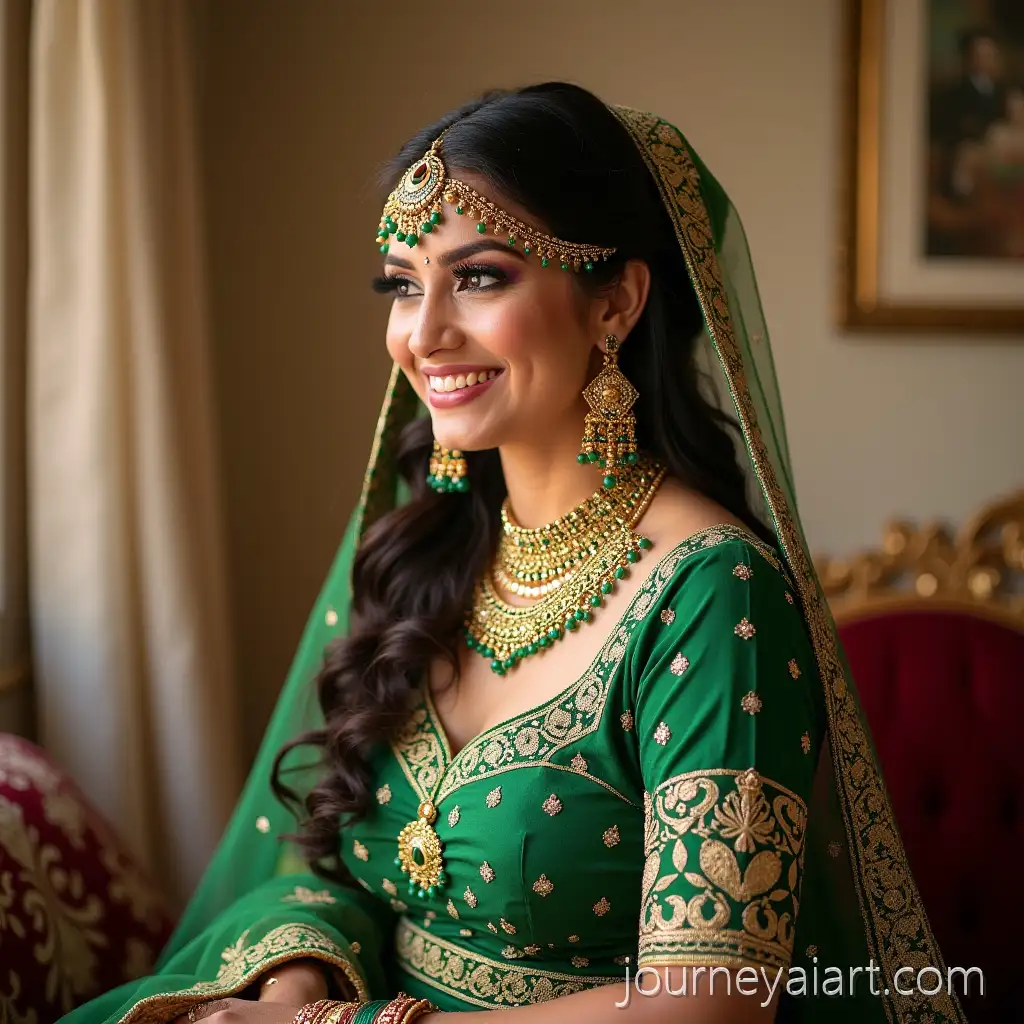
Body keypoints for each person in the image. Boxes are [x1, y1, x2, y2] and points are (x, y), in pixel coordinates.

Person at [61, 84, 966, 1024]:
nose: (422, 333)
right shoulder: (435, 555)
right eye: (403, 283)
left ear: (614, 302)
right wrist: (294, 985)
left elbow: (710, 1005)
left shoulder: (713, 595)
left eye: (480, 277)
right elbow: (337, 867)